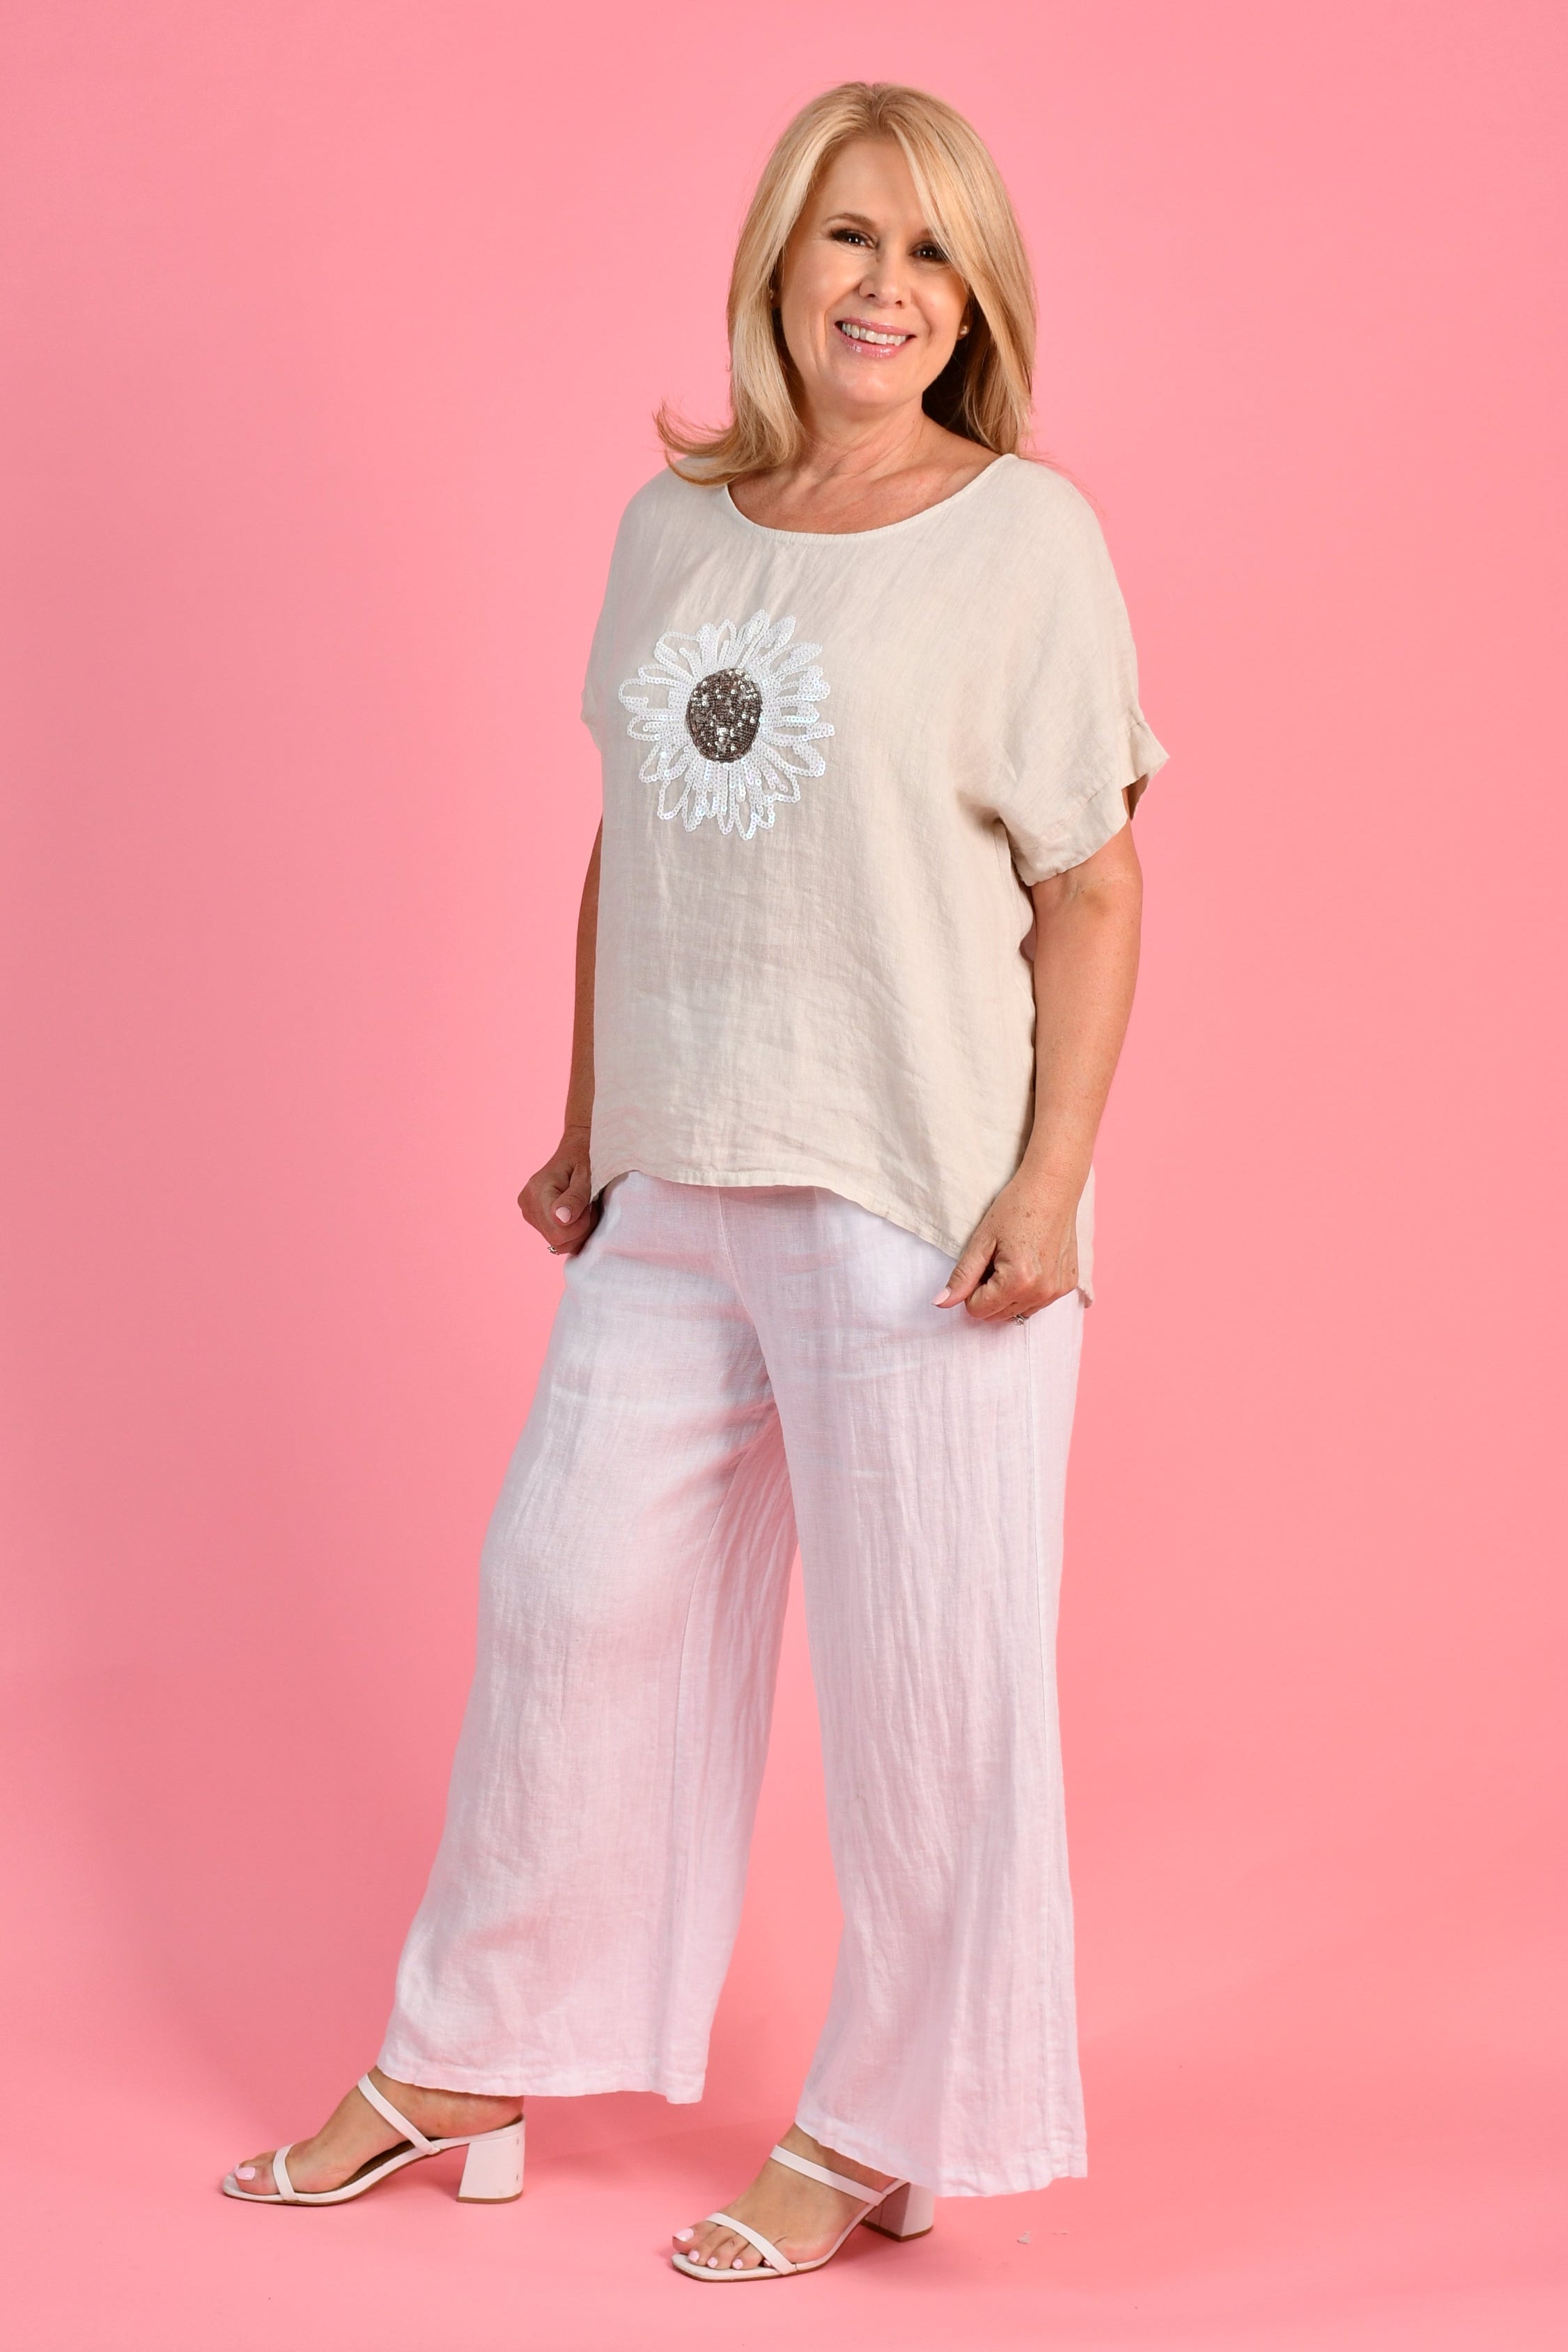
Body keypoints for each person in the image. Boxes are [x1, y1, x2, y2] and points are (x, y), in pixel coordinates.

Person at [223, 78, 1168, 2283]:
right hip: (677, 1182)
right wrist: (591, 1122)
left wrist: (1048, 1185)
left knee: (931, 1693)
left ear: (976, 304)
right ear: (776, 260)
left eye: (929, 253)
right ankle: (473, 2054)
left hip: (918, 1193)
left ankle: (883, 2127)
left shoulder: (1023, 540)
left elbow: (1098, 885)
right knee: (563, 1598)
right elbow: (631, 842)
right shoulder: (677, 526)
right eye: (850, 236)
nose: (885, 287)